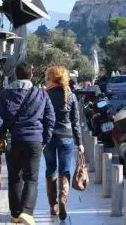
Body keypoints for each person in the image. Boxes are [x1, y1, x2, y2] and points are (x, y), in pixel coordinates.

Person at [0, 63, 55, 225]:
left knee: (14, 178)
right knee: (31, 179)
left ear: (16, 75)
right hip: (34, 141)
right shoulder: (41, 94)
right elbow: (50, 118)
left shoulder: (5, 94)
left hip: (13, 141)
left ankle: (16, 214)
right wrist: (44, 140)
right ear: (31, 75)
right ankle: (27, 212)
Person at [43, 66, 84, 219]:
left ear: (51, 77)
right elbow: (76, 122)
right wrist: (79, 143)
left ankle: (53, 206)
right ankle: (63, 200)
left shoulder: (45, 95)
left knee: (50, 170)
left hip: (48, 138)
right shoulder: (71, 95)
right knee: (64, 171)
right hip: (66, 137)